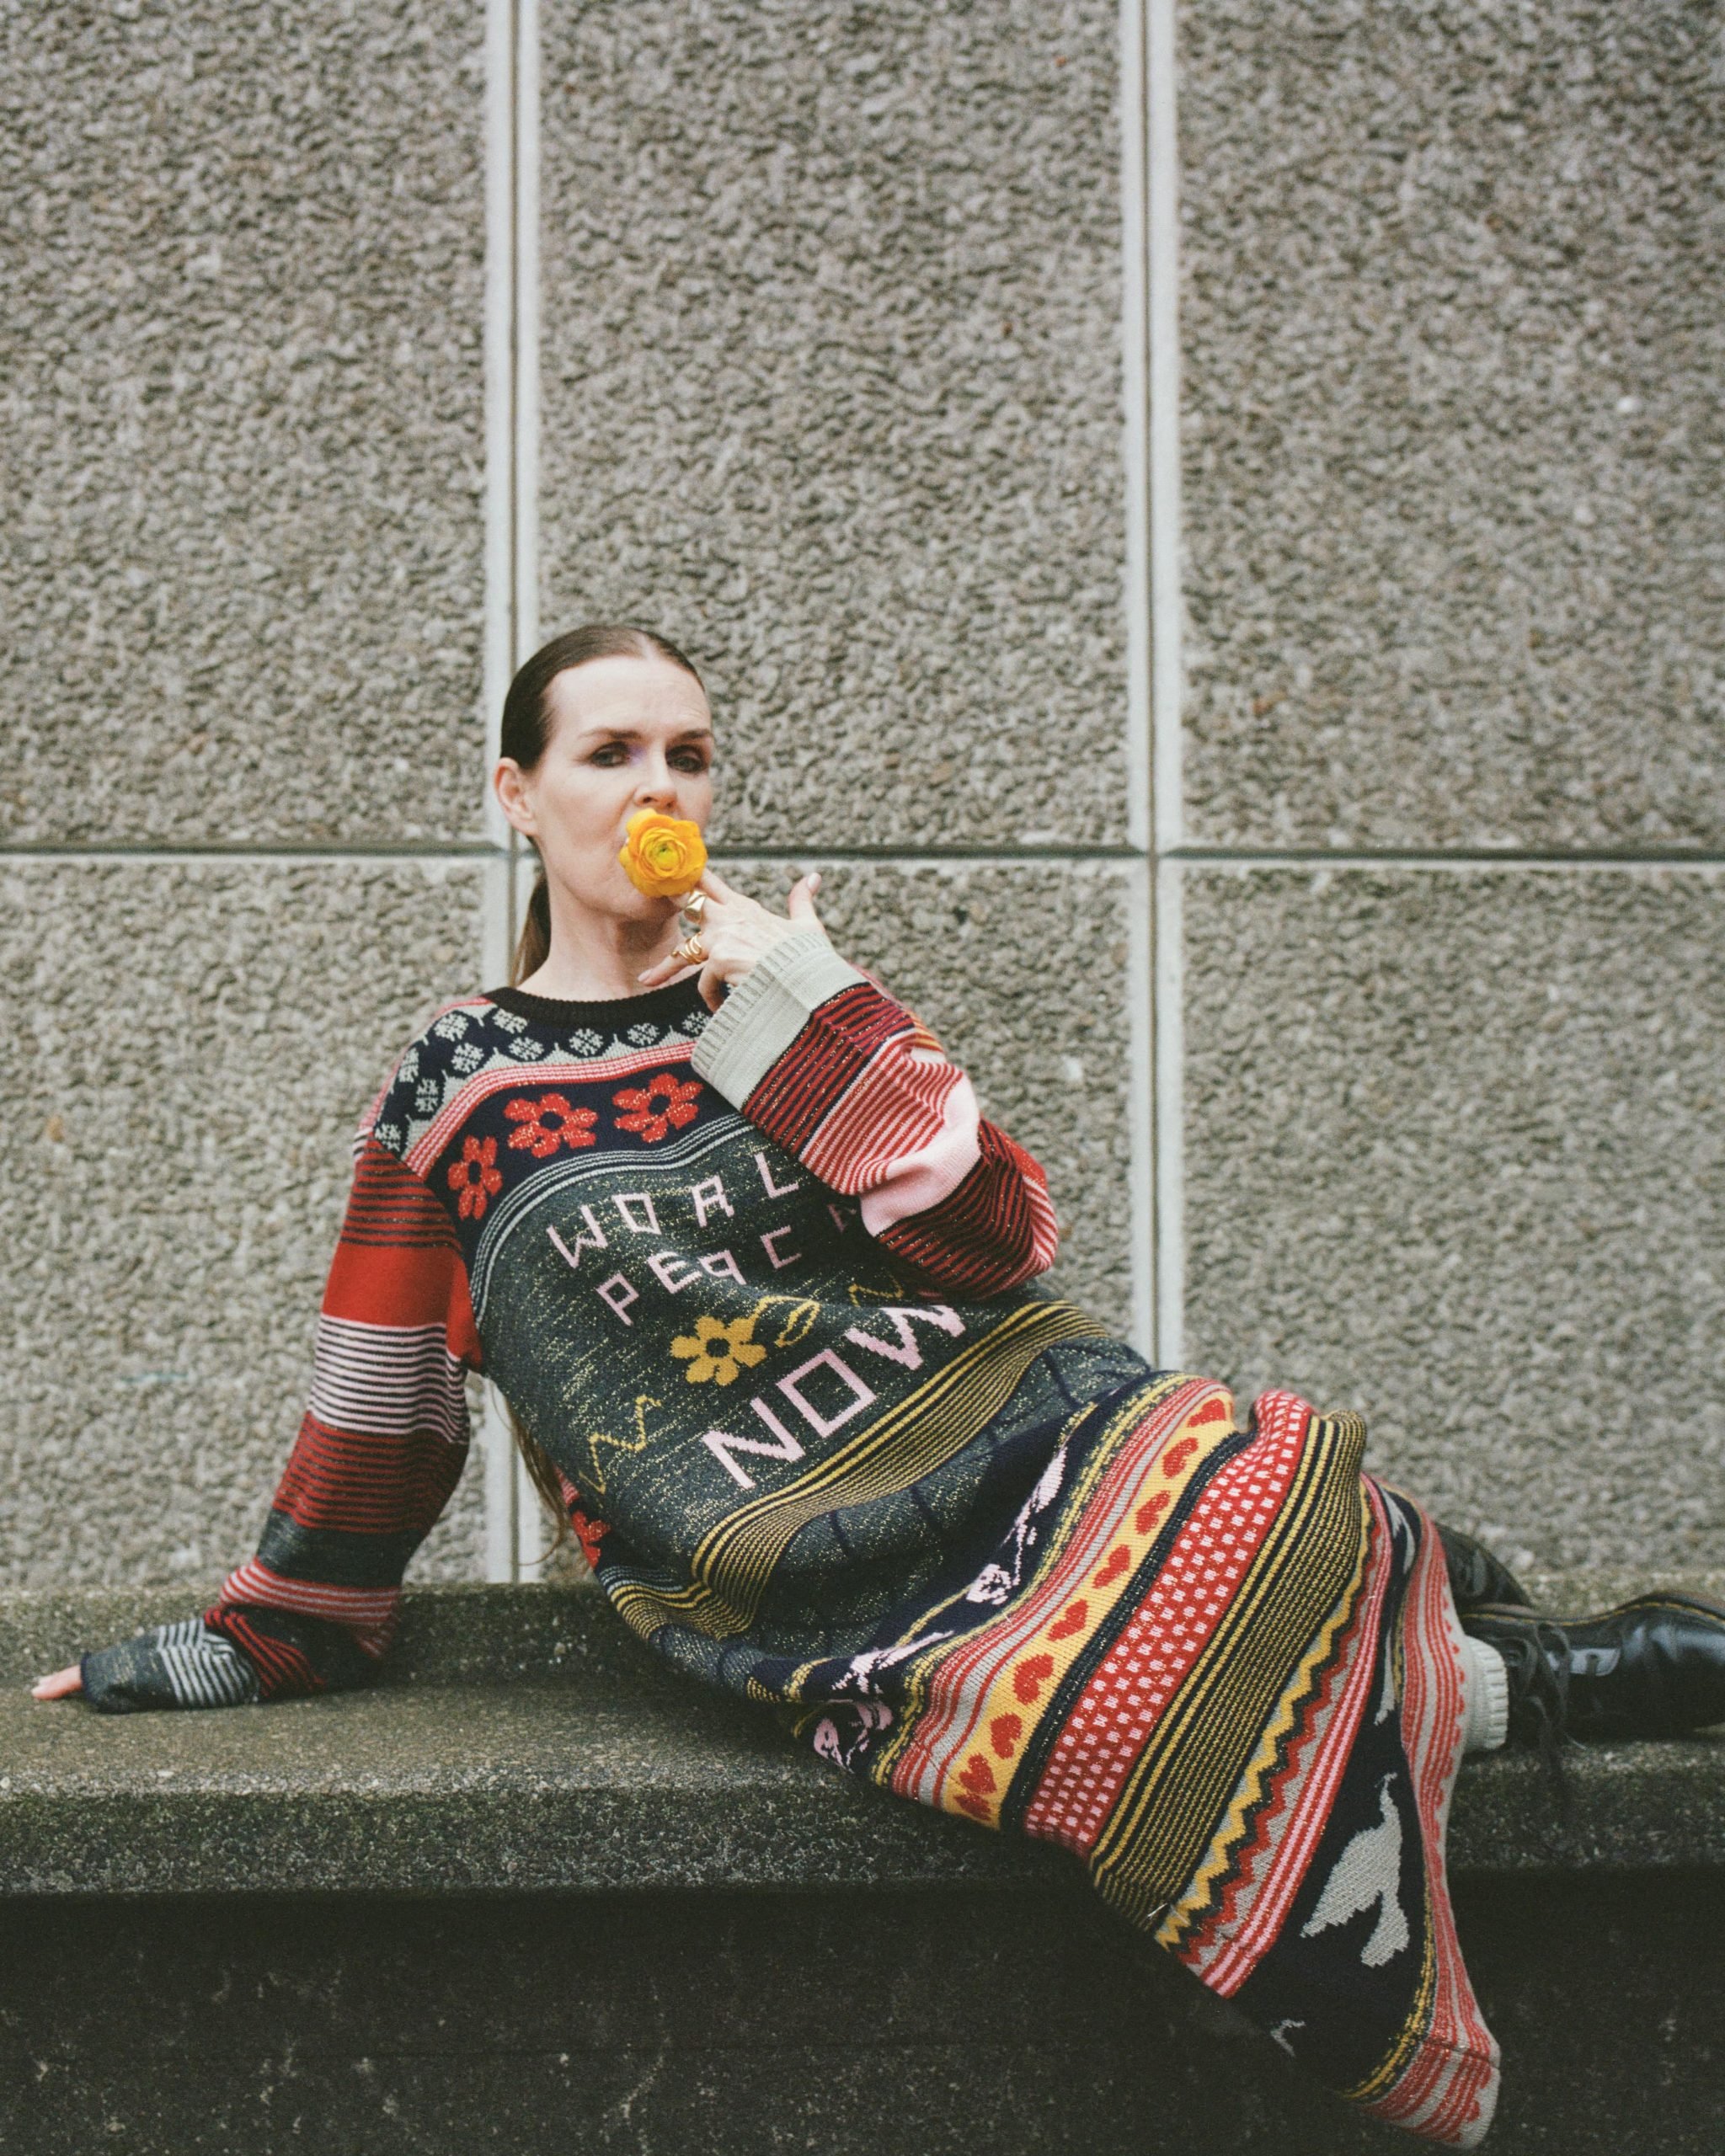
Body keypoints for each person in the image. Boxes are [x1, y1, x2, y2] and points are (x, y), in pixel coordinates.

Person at [34, 624, 1725, 2145]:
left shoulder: (779, 1002)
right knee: (1107, 1681)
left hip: (1012, 1432)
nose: (656, 786)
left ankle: (1462, 1677)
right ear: (515, 791)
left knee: (1257, 1463)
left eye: (688, 753)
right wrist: (260, 1630)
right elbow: (383, 1397)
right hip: (773, 1554)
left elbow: (1002, 1237)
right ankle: (1506, 1690)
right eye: (610, 752)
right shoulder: (457, 1080)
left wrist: (813, 1011)